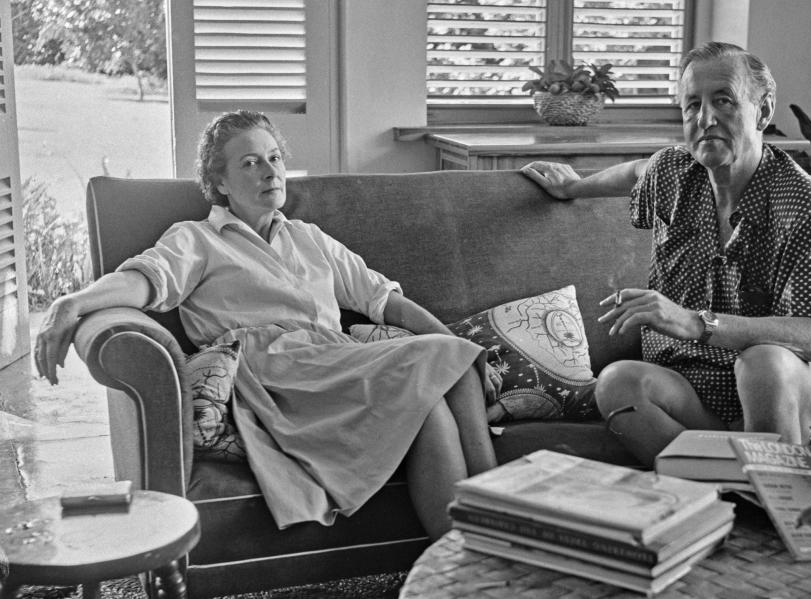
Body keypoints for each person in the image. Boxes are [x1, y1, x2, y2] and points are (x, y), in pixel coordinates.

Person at [34, 110, 498, 540]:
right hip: (274, 374)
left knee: (439, 393)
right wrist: (71, 303)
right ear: (219, 180)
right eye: (251, 163)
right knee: (445, 363)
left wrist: (452, 339)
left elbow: (383, 301)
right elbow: (144, 281)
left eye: (273, 158)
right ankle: (499, 530)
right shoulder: (196, 238)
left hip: (338, 362)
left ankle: (487, 544)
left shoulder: (309, 237)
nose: (270, 171)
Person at [521, 42, 811, 466]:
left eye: (723, 100)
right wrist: (575, 187)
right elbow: (636, 172)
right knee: (617, 384)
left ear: (762, 111)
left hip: (791, 382)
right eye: (691, 105)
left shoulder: (801, 201)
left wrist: (694, 322)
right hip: (697, 387)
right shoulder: (673, 171)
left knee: (762, 363)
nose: (705, 119)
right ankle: (728, 485)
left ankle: (768, 485)